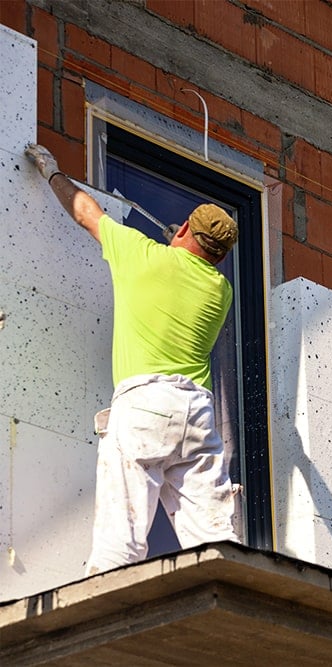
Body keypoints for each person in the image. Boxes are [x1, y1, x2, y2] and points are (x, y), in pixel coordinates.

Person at [25, 143, 240, 575]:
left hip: (145, 406)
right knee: (216, 542)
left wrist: (52, 172)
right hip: (197, 415)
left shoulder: (139, 255)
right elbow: (188, 269)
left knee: (119, 544)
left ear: (183, 233)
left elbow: (86, 211)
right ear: (220, 256)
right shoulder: (222, 291)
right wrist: (177, 248)